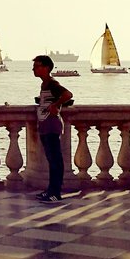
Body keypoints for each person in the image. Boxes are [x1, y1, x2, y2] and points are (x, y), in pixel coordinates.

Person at [32, 54, 73, 204]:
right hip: (45, 125)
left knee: (55, 160)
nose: (34, 69)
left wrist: (55, 105)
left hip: (52, 125)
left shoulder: (52, 83)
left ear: (47, 68)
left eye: (37, 66)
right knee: (51, 159)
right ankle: (50, 190)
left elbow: (67, 94)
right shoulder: (45, 84)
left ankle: (55, 192)